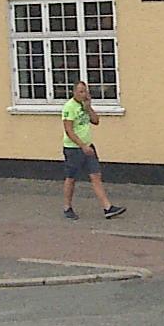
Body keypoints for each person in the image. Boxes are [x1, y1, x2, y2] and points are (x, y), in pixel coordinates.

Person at [61, 80, 126, 221]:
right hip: (74, 149)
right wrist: (82, 146)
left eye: (85, 91)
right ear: (74, 92)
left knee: (95, 176)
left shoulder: (84, 105)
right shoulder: (69, 107)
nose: (84, 94)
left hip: (88, 146)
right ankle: (67, 207)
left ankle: (107, 207)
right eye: (80, 92)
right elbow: (69, 130)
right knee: (71, 178)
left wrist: (89, 107)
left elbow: (96, 121)